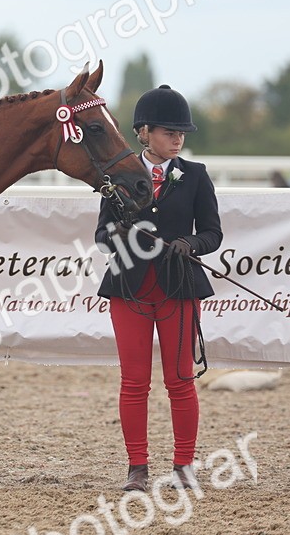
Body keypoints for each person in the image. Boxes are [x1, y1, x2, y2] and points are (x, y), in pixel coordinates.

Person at [94, 84, 223, 492]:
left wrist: (189, 244)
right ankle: (138, 467)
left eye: (181, 133)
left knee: (181, 380)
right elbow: (102, 236)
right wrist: (130, 239)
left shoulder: (195, 176)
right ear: (144, 131)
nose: (178, 139)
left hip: (178, 287)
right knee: (134, 382)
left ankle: (184, 465)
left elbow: (212, 233)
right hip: (129, 289)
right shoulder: (118, 178)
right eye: (169, 131)